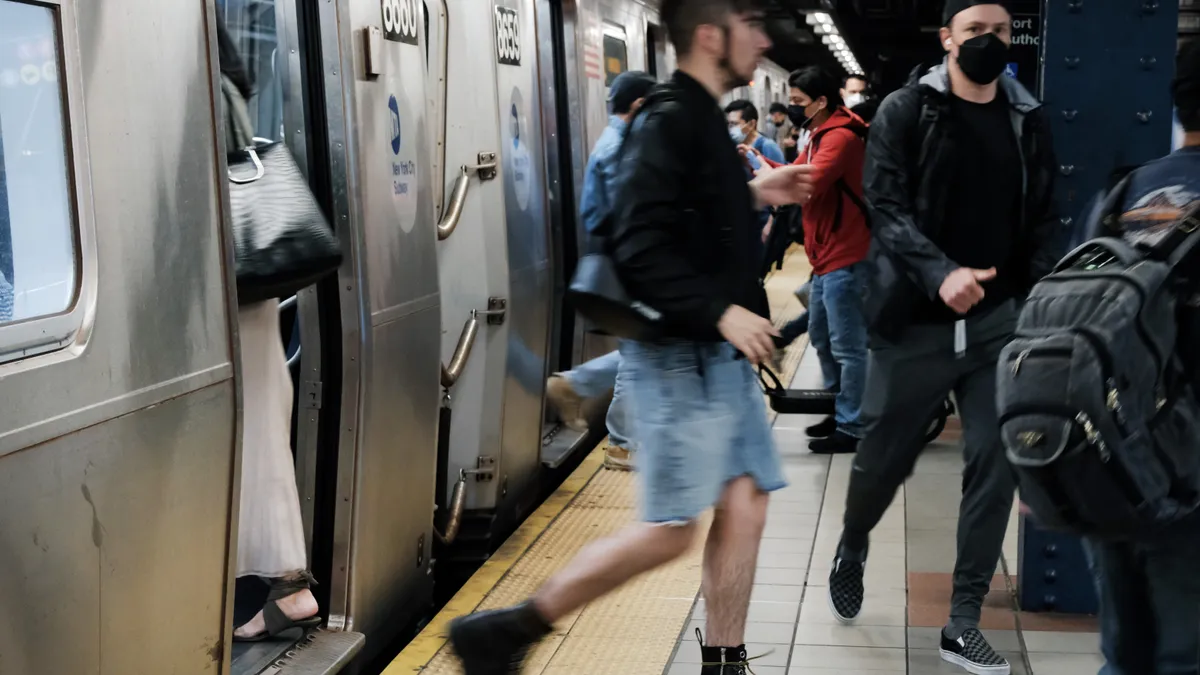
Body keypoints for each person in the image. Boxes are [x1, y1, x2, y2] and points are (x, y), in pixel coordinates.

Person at [446, 1, 815, 673]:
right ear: (711, 36)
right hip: (678, 353)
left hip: (716, 355)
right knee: (670, 531)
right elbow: (638, 243)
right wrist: (721, 311)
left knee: (745, 501)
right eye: (751, 26)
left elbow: (689, 211)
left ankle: (724, 659)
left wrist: (761, 190)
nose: (763, 41)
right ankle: (506, 629)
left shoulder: (700, 117)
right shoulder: (670, 121)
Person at [826, 2, 1059, 674]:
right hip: (915, 323)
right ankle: (853, 540)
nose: (990, 41)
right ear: (948, 39)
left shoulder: (1029, 119)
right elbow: (887, 205)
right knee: (882, 459)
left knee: (995, 458)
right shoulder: (907, 110)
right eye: (977, 30)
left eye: (1002, 32)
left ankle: (962, 620)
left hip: (997, 325)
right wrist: (940, 273)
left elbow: (1044, 216)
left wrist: (1036, 301)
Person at [1084, 38, 1200, 675]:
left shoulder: (1124, 193)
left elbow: (1064, 323)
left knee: (1125, 655)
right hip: (1190, 474)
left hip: (1114, 464)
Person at [218, 16, 322, 642]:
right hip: (251, 294)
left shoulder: (201, 96)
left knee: (253, 445)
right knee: (263, 440)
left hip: (228, 296)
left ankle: (280, 587)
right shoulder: (231, 94)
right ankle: (288, 588)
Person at [546, 70, 657, 471]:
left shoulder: (618, 142)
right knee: (639, 350)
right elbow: (625, 209)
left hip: (625, 256)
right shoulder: (620, 148)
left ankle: (576, 384)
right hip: (627, 259)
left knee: (645, 345)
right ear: (641, 106)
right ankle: (623, 443)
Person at [763, 66, 871, 455]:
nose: (792, 109)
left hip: (848, 252)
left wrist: (756, 184)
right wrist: (757, 160)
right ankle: (840, 408)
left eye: (798, 102)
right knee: (823, 339)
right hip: (826, 255)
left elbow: (806, 183)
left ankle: (853, 426)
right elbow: (794, 173)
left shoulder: (840, 136)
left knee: (848, 347)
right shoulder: (820, 133)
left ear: (821, 101)